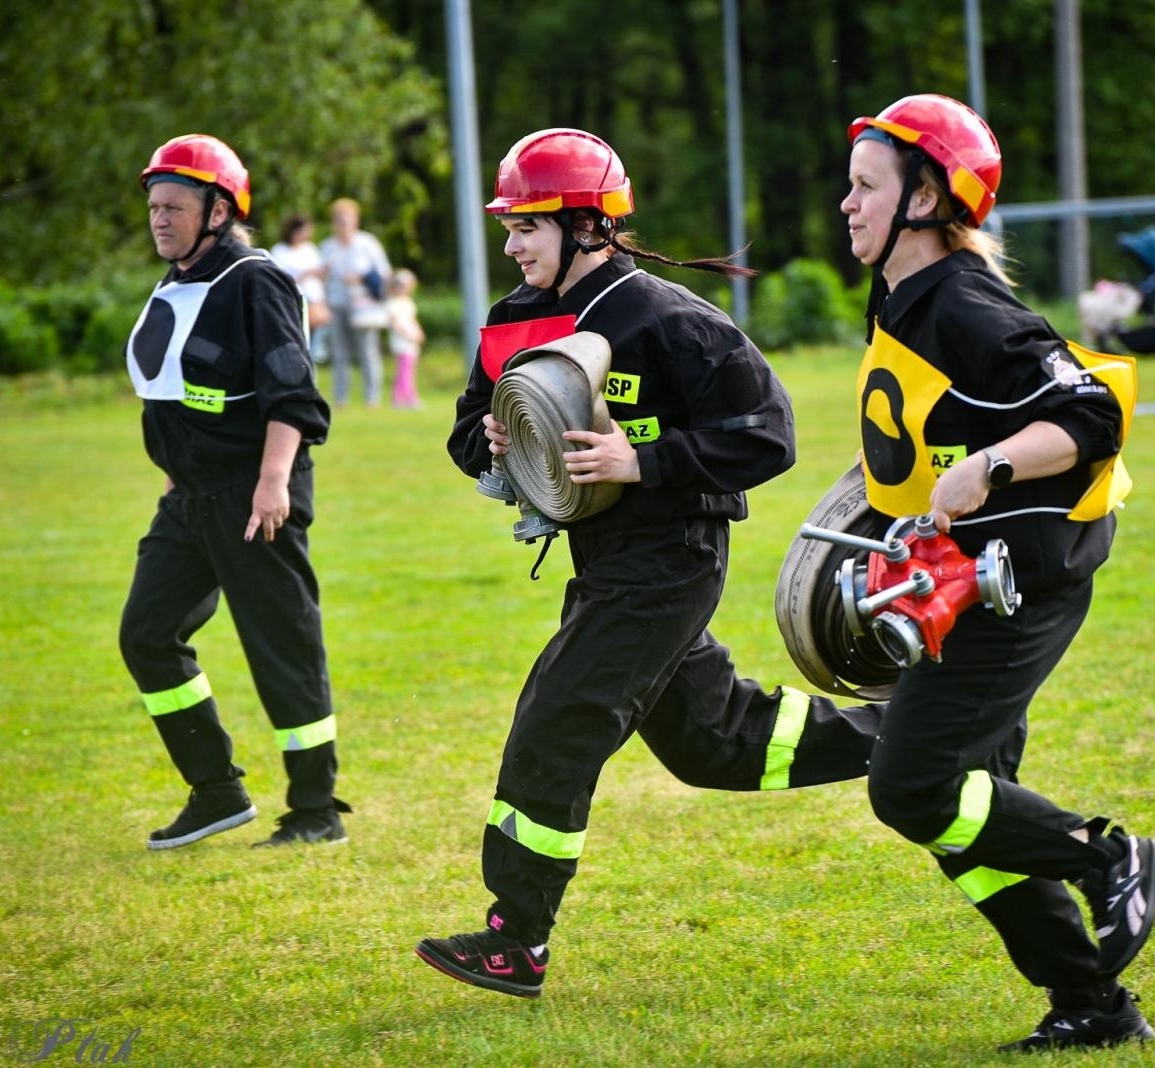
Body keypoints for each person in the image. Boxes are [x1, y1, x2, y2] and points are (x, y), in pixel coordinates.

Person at [418, 127, 880, 998]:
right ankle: (916, 736)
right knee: (716, 742)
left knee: (557, 719)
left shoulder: (672, 321)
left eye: (527, 227)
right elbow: (467, 431)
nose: (512, 246)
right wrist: (491, 443)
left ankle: (516, 940)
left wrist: (644, 460)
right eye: (509, 228)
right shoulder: (515, 319)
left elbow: (768, 436)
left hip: (673, 556)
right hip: (603, 560)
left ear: (588, 227)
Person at [840, 94, 1155, 1052]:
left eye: (866, 187)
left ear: (923, 200)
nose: (847, 204)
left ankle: (1111, 857)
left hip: (1017, 582)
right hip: (966, 576)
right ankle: (1093, 1005)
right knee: (972, 812)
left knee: (914, 787)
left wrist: (988, 467)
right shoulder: (905, 292)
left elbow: (1090, 414)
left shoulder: (963, 302)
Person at [122, 133, 350, 850]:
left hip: (256, 492)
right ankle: (216, 790)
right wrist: (174, 472)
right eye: (154, 207)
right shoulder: (175, 282)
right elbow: (176, 394)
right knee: (147, 634)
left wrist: (273, 483)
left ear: (218, 211)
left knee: (281, 645)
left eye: (174, 207)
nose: (160, 219)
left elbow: (293, 394)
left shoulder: (256, 281)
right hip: (189, 498)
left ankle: (315, 811)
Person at [319, 198, 391, 407]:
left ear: (355, 221)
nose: (343, 224)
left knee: (367, 352)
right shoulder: (327, 247)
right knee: (339, 353)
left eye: (347, 219)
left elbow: (384, 273)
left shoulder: (367, 243)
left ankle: (372, 399)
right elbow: (320, 279)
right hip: (336, 303)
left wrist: (360, 278)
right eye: (339, 220)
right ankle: (341, 399)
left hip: (363, 305)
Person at [269, 213, 330, 364]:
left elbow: (320, 277)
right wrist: (305, 274)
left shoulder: (310, 249)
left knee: (314, 345)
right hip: (292, 300)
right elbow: (278, 279)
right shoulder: (280, 251)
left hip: (314, 301)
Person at [385, 268, 425, 409]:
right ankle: (406, 397)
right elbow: (395, 323)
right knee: (404, 370)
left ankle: (401, 397)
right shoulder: (392, 304)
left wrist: (418, 333)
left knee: (408, 370)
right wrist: (408, 335)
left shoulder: (408, 302)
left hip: (411, 340)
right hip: (402, 341)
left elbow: (412, 320)